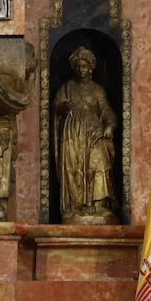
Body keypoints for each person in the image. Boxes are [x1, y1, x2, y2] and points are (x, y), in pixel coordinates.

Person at [55, 46, 118, 223]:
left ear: (91, 68)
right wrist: (63, 107)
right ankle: (76, 206)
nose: (81, 70)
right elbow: (57, 107)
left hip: (94, 134)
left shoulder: (97, 90)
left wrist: (110, 125)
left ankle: (99, 204)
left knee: (99, 160)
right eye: (78, 66)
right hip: (73, 136)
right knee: (74, 169)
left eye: (84, 66)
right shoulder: (67, 88)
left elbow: (106, 111)